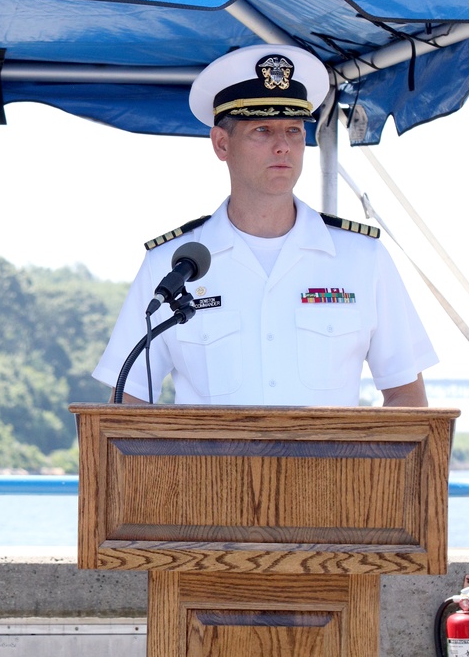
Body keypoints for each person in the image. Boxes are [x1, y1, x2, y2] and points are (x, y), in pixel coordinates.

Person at [93, 45, 436, 406]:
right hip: (209, 466)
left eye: (292, 129)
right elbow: (127, 401)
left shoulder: (363, 258)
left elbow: (406, 396)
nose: (283, 146)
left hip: (331, 465)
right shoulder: (171, 266)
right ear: (222, 143)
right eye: (262, 129)